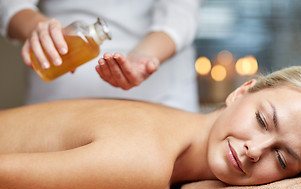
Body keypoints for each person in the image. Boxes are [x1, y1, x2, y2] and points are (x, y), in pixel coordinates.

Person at [0, 66, 301, 189]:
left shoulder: (168, 121)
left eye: (281, 158)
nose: (255, 151)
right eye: (262, 120)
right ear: (241, 92)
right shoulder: (146, 166)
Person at [0, 0, 201, 112]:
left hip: (160, 100)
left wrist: (144, 56)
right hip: (57, 104)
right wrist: (39, 28)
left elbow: (180, 13)